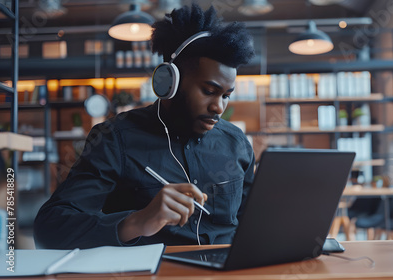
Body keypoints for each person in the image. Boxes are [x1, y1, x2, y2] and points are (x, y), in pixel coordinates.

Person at [34, 4, 256, 249]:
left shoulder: (237, 144)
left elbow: (254, 223)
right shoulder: (114, 140)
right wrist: (137, 221)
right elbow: (50, 228)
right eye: (209, 91)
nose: (218, 107)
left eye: (226, 95)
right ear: (169, 81)